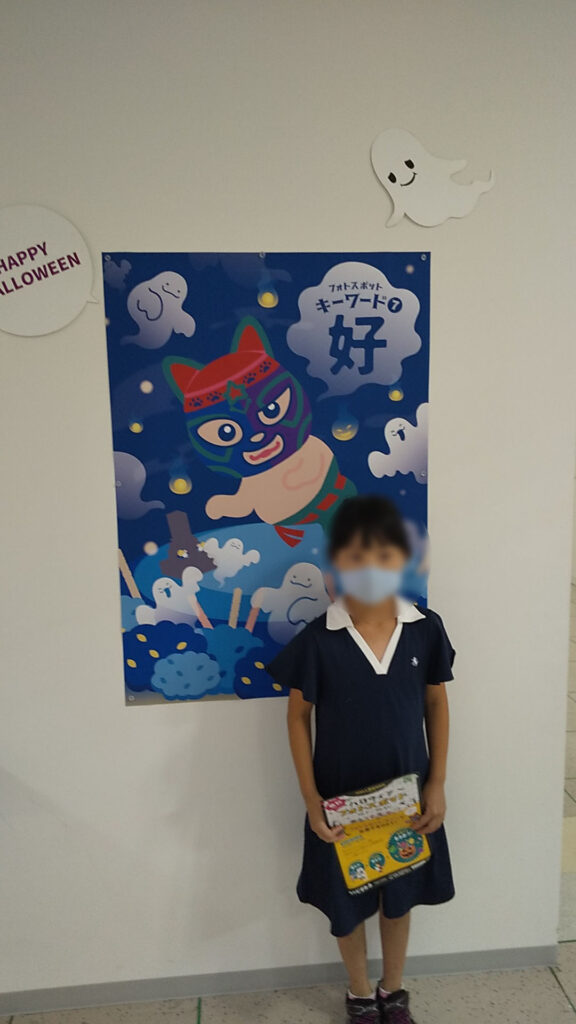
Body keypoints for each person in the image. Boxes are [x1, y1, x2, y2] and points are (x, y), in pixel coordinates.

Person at [267, 495, 455, 1024]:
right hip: (340, 804)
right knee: (347, 905)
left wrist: (437, 782)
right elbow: (297, 718)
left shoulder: (425, 628)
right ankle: (358, 995)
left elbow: (436, 703)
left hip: (406, 801)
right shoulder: (318, 640)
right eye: (355, 556)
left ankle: (393, 990)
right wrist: (311, 799)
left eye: (382, 555)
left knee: (399, 898)